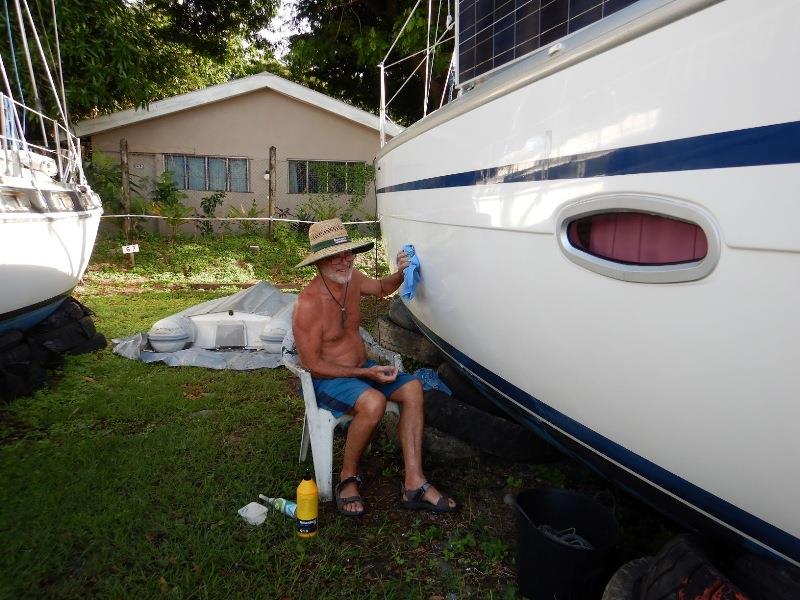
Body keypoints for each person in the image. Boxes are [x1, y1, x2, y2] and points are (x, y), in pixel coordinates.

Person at [292, 218, 458, 517]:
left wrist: (402, 271)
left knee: (412, 388)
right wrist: (365, 374)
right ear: (319, 262)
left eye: (348, 253)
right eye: (335, 255)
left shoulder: (353, 279)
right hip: (327, 379)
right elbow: (313, 365)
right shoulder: (308, 304)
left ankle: (414, 482)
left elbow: (382, 287)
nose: (344, 260)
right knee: (373, 401)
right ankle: (347, 477)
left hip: (362, 369)